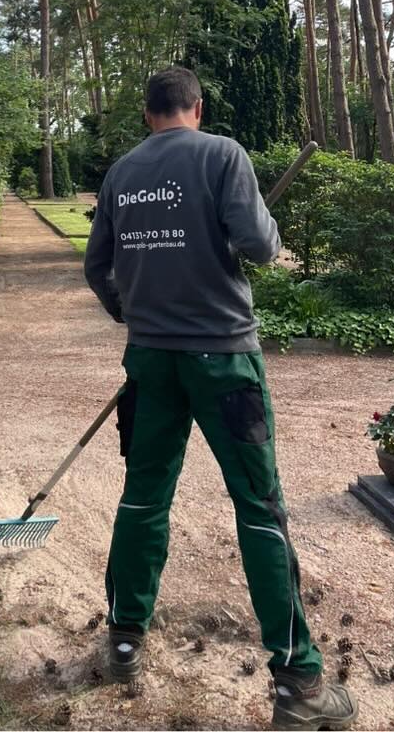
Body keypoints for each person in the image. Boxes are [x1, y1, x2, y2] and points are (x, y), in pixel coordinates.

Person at [83, 66, 353, 731]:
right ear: (196, 109)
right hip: (225, 361)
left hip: (151, 360)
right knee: (260, 509)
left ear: (149, 115)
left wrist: (137, 315)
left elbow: (97, 267)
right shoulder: (223, 155)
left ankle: (123, 641)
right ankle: (298, 683)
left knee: (143, 495)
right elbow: (260, 246)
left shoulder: (121, 173)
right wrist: (260, 234)